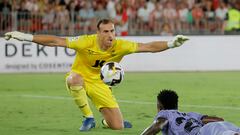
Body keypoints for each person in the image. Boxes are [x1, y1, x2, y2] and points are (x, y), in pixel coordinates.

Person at [4, 19, 189, 131]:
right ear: (98, 33)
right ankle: (88, 118)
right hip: (81, 78)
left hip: (100, 84)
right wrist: (24, 36)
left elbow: (148, 47)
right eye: (106, 31)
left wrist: (171, 43)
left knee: (118, 127)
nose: (111, 35)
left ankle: (106, 121)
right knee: (73, 78)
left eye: (113, 31)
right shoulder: (85, 42)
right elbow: (55, 41)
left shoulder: (121, 45)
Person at [141, 89, 240, 135]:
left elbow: (158, 126)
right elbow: (219, 120)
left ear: (159, 106)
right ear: (176, 105)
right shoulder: (191, 115)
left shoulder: (164, 114)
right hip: (222, 126)